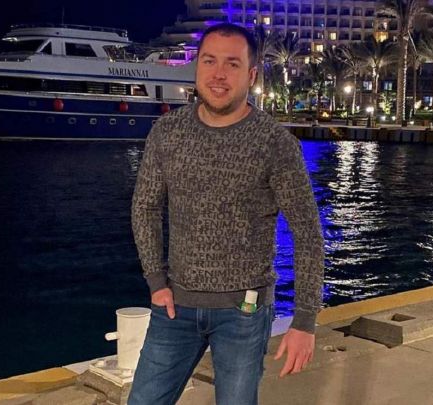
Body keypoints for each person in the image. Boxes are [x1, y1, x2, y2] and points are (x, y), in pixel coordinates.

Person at [128, 23, 324, 405]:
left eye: (232, 64)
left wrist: (304, 321)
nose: (218, 74)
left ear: (251, 75)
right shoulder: (167, 132)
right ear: (197, 67)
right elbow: (145, 206)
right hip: (174, 306)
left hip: (244, 312)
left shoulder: (274, 143)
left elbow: (307, 233)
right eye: (209, 61)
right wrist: (156, 280)